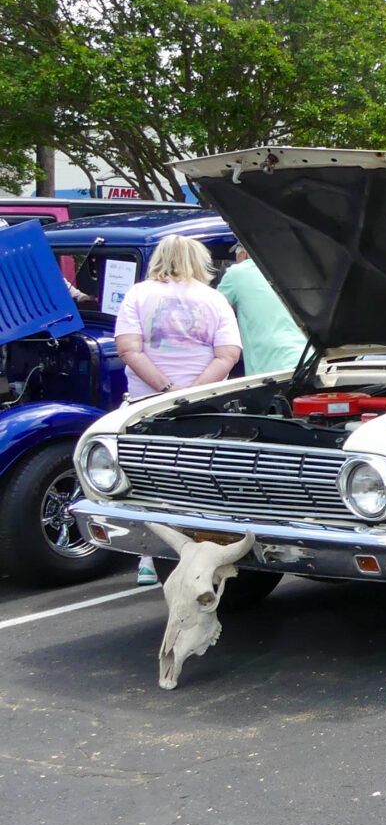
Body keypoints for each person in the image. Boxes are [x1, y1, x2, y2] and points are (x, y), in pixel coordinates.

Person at [115, 235, 241, 584]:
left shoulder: (138, 294)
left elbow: (128, 349)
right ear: (201, 261)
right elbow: (228, 354)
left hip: (147, 403)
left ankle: (146, 558)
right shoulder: (214, 299)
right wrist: (192, 392)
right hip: (203, 405)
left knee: (147, 479)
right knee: (200, 478)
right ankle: (206, 551)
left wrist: (166, 390)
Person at [216, 242, 308, 374]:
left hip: (269, 363)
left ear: (244, 253)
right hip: (304, 356)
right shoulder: (288, 271)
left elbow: (212, 312)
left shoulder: (236, 273)